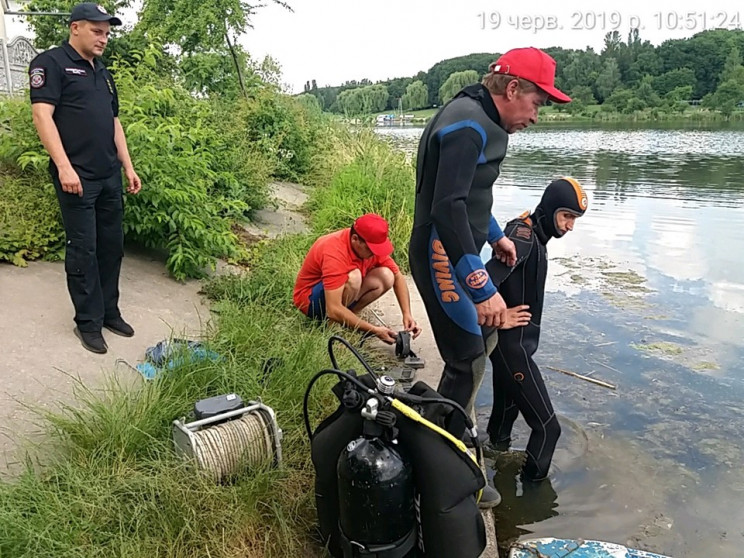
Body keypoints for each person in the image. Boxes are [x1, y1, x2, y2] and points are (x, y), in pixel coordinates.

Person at [409, 47, 571, 442]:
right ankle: (443, 462)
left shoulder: (476, 115)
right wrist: (481, 287)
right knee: (465, 359)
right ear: (513, 88)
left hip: (451, 251)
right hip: (439, 254)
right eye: (537, 103)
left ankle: (443, 440)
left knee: (478, 342)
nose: (536, 116)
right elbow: (447, 208)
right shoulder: (469, 126)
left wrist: (496, 235)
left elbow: (471, 195)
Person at [28, 3, 140, 354]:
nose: (103, 38)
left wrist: (128, 166)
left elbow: (114, 123)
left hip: (108, 176)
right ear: (75, 27)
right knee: (84, 249)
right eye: (97, 30)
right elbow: (42, 116)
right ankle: (88, 323)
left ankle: (109, 311)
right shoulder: (50, 63)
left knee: (111, 246)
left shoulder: (103, 73)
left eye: (107, 32)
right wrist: (63, 166)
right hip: (76, 177)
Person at [485, 177, 589, 482]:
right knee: (547, 428)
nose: (570, 226)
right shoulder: (524, 237)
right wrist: (500, 316)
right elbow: (482, 282)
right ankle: (532, 495)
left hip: (513, 347)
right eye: (566, 216)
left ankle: (495, 471)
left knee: (504, 421)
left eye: (574, 219)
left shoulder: (532, 234)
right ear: (551, 207)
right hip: (512, 349)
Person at [293, 213, 421, 343]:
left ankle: (349, 319)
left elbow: (397, 277)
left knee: (386, 276)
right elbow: (332, 309)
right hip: (310, 301)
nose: (374, 254)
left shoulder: (368, 246)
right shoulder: (334, 252)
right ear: (355, 239)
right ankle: (333, 330)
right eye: (372, 249)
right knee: (354, 277)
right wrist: (373, 330)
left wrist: (407, 314)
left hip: (335, 296)